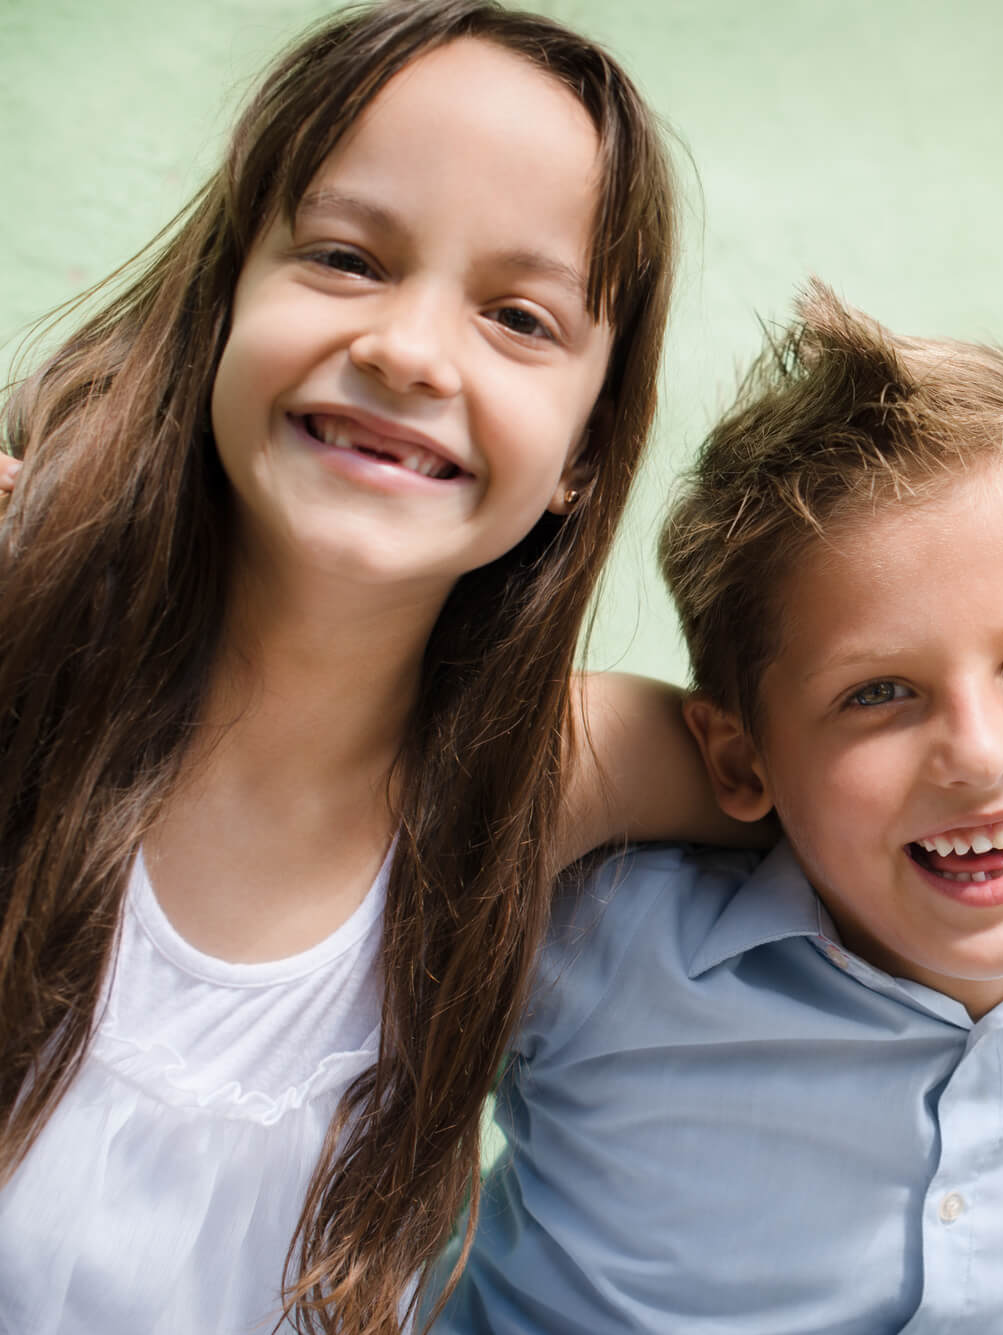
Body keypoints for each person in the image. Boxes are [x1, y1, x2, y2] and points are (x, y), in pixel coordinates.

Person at [0, 4, 742, 1330]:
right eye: (345, 257)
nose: (408, 351)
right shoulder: (21, 637)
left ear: (583, 453)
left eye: (519, 317)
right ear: (223, 301)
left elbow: (914, 763)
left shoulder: (540, 773)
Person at [431, 282, 1003, 1333]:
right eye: (877, 693)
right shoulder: (595, 947)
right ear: (736, 760)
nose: (977, 755)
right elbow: (454, 771)